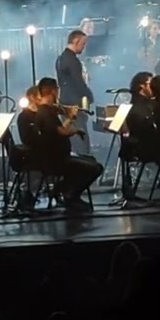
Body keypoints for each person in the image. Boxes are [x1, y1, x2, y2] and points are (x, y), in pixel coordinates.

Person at [30, 78, 102, 212]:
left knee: (90, 161)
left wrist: (69, 118)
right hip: (56, 160)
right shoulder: (45, 112)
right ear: (53, 91)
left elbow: (57, 130)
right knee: (95, 168)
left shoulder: (46, 111)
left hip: (58, 157)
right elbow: (62, 131)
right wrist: (74, 126)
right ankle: (70, 195)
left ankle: (62, 191)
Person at [55, 29, 95, 155]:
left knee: (72, 138)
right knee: (80, 137)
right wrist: (89, 95)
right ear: (76, 41)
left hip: (64, 101)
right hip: (75, 104)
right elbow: (78, 83)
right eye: (83, 44)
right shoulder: (73, 61)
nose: (84, 47)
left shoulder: (61, 58)